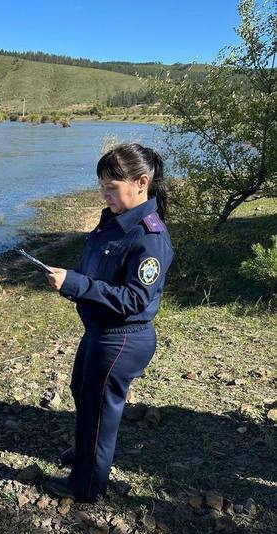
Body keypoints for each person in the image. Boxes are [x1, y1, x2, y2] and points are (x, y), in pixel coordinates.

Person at [42, 144, 174, 502]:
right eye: (101, 186)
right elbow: (98, 271)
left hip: (123, 338)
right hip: (98, 332)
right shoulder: (113, 221)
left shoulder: (149, 236)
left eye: (111, 187)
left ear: (141, 183)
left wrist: (76, 284)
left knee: (100, 413)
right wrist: (71, 279)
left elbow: (134, 298)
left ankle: (86, 485)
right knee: (81, 391)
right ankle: (86, 456)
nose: (104, 194)